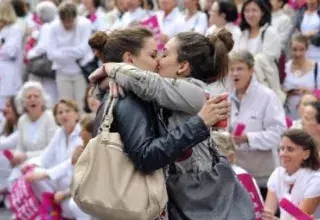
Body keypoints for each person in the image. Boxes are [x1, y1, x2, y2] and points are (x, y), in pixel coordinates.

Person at [90, 28, 254, 219]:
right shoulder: (136, 96)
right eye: (154, 54)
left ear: (183, 66)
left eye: (164, 54)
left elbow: (151, 85)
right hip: (183, 195)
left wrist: (109, 68)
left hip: (207, 197)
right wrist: (108, 79)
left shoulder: (194, 92)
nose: (158, 60)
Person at [228, 50, 286, 199]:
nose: (235, 73)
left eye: (240, 68)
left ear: (251, 70)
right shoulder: (226, 96)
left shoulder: (267, 96)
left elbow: (278, 134)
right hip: (236, 175)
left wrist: (248, 138)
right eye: (232, 69)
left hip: (263, 178)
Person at [24, 99, 88, 220]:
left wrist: (45, 174)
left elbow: (70, 163)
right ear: (56, 118)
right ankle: (51, 210)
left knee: (39, 176)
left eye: (67, 111)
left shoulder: (82, 135)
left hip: (76, 189)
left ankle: (58, 211)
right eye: (60, 112)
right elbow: (45, 158)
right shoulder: (59, 133)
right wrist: (29, 165)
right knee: (32, 175)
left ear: (76, 114)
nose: (64, 115)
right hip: (59, 185)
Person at [47, 1, 93, 113]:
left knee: (82, 106)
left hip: (80, 72)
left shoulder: (85, 24)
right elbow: (51, 53)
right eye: (64, 22)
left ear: (75, 18)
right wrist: (72, 52)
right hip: (62, 72)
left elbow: (83, 50)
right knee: (66, 107)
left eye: (70, 21)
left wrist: (62, 52)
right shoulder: (53, 26)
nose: (67, 25)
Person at [263, 129, 320, 219]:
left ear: (306, 154)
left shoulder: (315, 180)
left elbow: (301, 218)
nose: (283, 154)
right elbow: (267, 214)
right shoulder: (277, 174)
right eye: (282, 149)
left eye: (290, 149)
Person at [27, 1, 59, 106]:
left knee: (49, 93)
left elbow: (42, 47)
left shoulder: (47, 27)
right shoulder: (56, 24)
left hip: (47, 64)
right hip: (55, 63)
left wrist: (30, 54)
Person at [283, 34, 319, 120]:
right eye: (294, 49)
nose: (298, 54)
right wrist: (286, 93)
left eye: (302, 50)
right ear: (290, 49)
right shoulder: (285, 68)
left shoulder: (316, 68)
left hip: (310, 117)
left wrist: (310, 92)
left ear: (307, 49)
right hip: (288, 115)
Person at [0, 2, 23, 110]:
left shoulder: (14, 29)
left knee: (7, 109)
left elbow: (10, 51)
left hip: (9, 77)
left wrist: (2, 47)